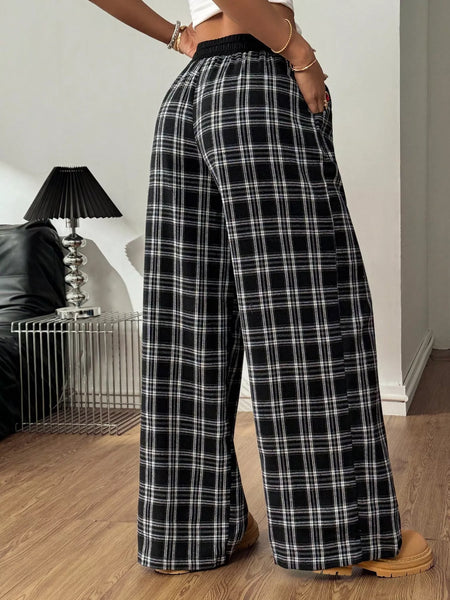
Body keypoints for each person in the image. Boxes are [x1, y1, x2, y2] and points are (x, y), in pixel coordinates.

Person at [88, 0, 434, 578]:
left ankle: (189, 531)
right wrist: (298, 50)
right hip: (255, 86)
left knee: (191, 319)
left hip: (188, 96)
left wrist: (178, 37)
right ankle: (340, 536)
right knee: (307, 309)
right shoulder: (278, 60)